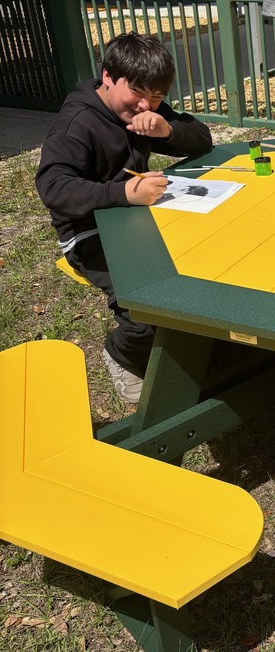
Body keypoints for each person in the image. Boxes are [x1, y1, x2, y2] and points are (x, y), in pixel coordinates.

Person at [36, 31, 212, 403]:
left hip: (137, 219)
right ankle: (122, 354)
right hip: (88, 231)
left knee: (205, 267)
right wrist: (123, 193)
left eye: (157, 96)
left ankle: (200, 344)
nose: (146, 105)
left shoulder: (144, 108)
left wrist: (168, 128)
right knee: (145, 308)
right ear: (107, 76)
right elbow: (53, 187)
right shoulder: (77, 123)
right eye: (137, 92)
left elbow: (202, 138)